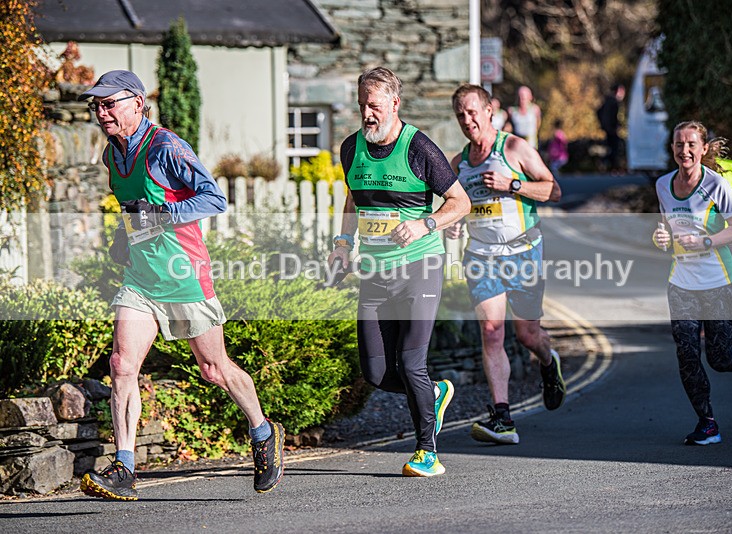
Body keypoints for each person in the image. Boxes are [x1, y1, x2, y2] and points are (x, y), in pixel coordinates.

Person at [77, 70, 284, 500]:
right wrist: (122, 236)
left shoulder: (167, 147)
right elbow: (132, 208)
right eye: (96, 105)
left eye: (109, 103)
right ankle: (124, 468)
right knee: (121, 365)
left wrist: (159, 215)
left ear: (137, 102)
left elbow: (213, 198)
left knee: (214, 370)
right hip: (140, 277)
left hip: (184, 272)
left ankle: (263, 432)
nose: (101, 112)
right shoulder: (112, 155)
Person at [327, 67, 470, 476]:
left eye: (374, 105)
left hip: (419, 268)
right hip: (374, 273)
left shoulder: (419, 148)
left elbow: (460, 202)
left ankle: (428, 451)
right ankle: (436, 392)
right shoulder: (351, 148)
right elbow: (354, 200)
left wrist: (425, 223)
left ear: (394, 103)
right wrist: (342, 245)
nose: (367, 113)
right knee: (375, 373)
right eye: (361, 105)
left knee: (411, 364)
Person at [447, 84, 565, 445]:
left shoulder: (512, 147)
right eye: (461, 115)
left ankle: (548, 360)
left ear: (489, 111)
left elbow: (553, 190)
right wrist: (451, 222)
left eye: (472, 112)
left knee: (527, 334)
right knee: (492, 331)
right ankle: (502, 418)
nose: (468, 121)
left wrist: (513, 183)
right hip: (481, 256)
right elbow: (454, 206)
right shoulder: (459, 164)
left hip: (522, 252)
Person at [652, 120, 732, 446]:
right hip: (681, 282)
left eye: (691, 144)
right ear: (672, 148)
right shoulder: (663, 185)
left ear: (703, 149)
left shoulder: (716, 184)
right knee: (687, 355)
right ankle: (707, 422)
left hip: (719, 282)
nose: (684, 150)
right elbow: (667, 229)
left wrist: (705, 242)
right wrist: (661, 238)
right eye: (678, 144)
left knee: (719, 358)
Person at [596, 83, 626, 171]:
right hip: (612, 129)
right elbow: (615, 116)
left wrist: (603, 124)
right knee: (614, 148)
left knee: (610, 147)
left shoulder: (607, 100)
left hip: (607, 128)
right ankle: (612, 166)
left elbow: (598, 111)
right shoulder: (614, 102)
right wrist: (615, 125)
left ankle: (608, 164)